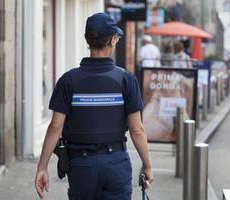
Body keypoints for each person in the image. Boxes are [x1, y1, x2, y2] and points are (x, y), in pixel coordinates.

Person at [34, 12, 153, 200]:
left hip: (81, 165)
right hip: (116, 164)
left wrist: (42, 167)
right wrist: (147, 165)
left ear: (87, 39)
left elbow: (55, 127)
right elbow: (137, 130)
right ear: (113, 41)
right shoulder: (126, 80)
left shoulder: (68, 81)